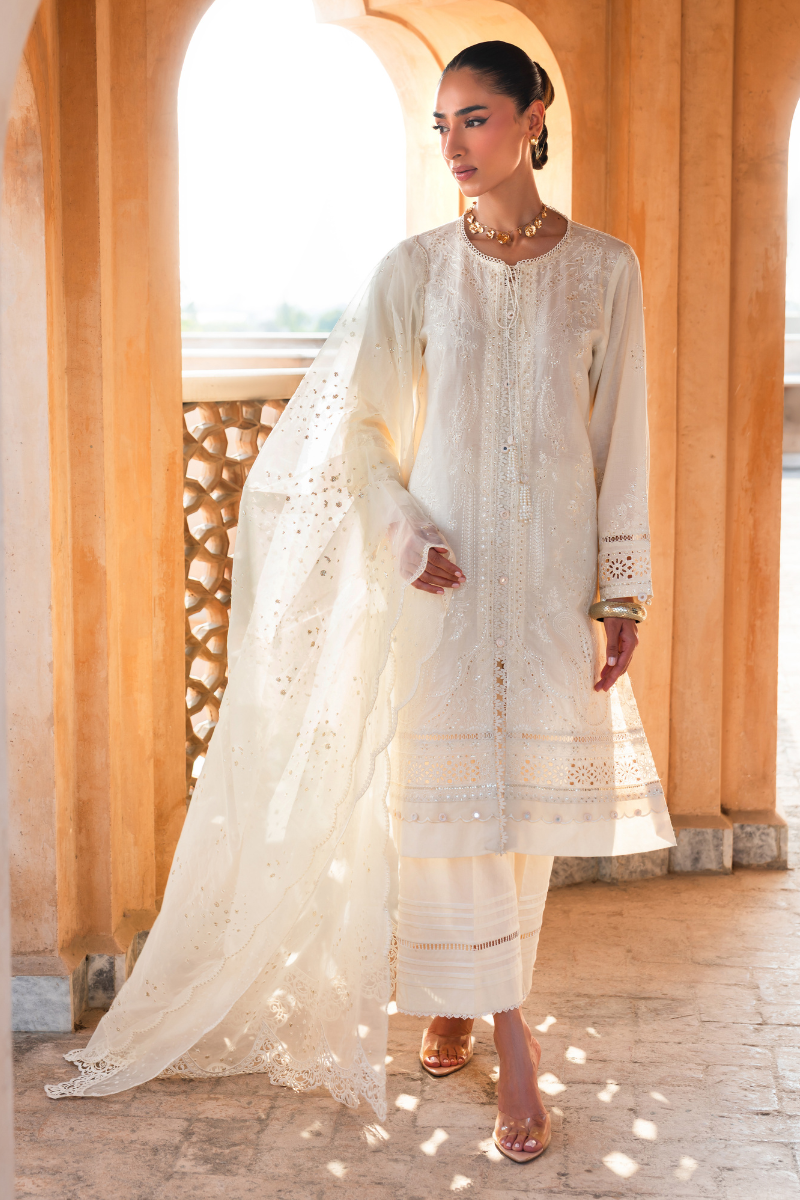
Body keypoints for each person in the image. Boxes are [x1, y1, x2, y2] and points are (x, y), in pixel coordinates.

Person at [47, 39, 674, 1166]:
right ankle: (511, 1035)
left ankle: (458, 992)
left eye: (475, 118)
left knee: (521, 811)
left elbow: (619, 435)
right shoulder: (414, 270)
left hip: (545, 582)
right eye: (442, 123)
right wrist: (401, 531)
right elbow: (364, 431)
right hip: (441, 573)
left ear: (532, 117)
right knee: (448, 805)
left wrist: (620, 586)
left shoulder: (605, 270)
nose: (455, 144)